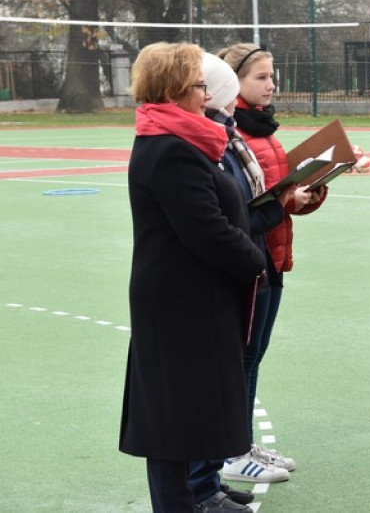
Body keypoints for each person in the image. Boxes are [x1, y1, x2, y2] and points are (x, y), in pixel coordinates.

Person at [119, 42, 266, 513]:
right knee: (170, 422)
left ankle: (196, 496)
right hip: (179, 304)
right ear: (176, 89)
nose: (207, 96)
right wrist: (255, 260)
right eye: (200, 86)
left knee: (186, 413)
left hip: (191, 298)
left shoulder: (179, 139)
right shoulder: (170, 149)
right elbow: (206, 230)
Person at [188, 54, 297, 511]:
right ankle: (214, 470)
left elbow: (252, 203)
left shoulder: (241, 136)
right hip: (247, 265)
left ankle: (219, 466)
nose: (270, 85)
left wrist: (295, 196)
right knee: (228, 371)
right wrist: (277, 211)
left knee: (244, 364)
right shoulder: (211, 144)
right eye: (260, 77)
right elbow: (232, 215)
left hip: (264, 257)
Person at [217, 43, 326, 479]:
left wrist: (312, 192)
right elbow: (247, 205)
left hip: (274, 255)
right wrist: (284, 202)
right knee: (241, 357)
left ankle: (239, 441)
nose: (271, 83)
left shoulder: (265, 131)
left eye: (272, 75)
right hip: (252, 257)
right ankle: (231, 450)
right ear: (234, 82)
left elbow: (280, 198)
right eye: (261, 76)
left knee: (253, 355)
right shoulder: (233, 133)